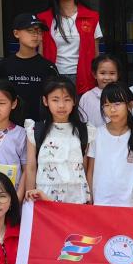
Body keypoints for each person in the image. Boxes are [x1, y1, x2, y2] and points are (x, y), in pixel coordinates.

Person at [37, 0, 103, 94]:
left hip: (84, 78)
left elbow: (96, 54)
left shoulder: (91, 17)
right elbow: (41, 52)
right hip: (54, 77)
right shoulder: (44, 19)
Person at [25, 76, 90, 204]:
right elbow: (31, 167)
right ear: (45, 101)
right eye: (55, 100)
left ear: (74, 101)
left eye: (67, 99)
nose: (61, 105)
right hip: (44, 196)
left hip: (77, 198)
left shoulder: (84, 130)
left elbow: (85, 167)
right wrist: (29, 198)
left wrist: (89, 197)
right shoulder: (35, 130)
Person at [85, 83, 133, 207]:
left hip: (129, 205)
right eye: (106, 105)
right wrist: (90, 199)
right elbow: (90, 171)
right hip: (100, 203)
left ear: (130, 105)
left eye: (117, 104)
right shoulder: (96, 134)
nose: (112, 109)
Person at [0, 13, 58, 123]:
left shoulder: (48, 67)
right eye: (30, 30)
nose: (35, 35)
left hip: (39, 125)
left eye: (39, 31)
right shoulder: (4, 65)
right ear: (16, 33)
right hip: (9, 125)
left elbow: (55, 98)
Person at [78, 54, 121, 127]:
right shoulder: (86, 97)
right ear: (94, 74)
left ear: (118, 75)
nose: (107, 77)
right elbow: (81, 122)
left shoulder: (122, 95)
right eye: (102, 73)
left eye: (112, 73)